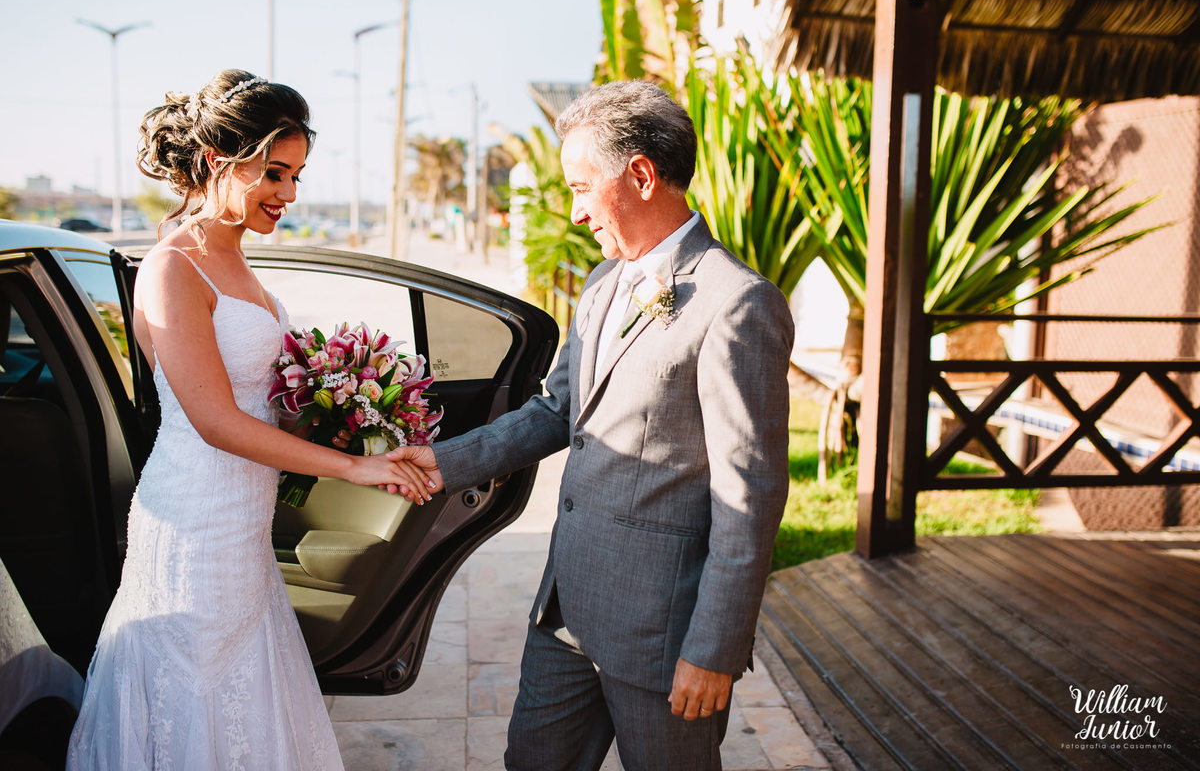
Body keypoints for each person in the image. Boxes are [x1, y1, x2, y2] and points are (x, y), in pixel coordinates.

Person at [389, 80, 794, 771]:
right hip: (565, 609)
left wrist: (715, 648)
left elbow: (749, 497)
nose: (575, 214)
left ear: (639, 174)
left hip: (664, 633)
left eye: (580, 188)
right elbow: (556, 412)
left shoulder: (737, 303)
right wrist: (441, 461)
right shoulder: (603, 282)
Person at [66, 69, 433, 770]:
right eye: (274, 172)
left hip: (242, 525)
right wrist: (357, 467)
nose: (289, 194)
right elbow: (214, 420)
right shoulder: (175, 267)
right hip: (194, 521)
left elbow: (260, 405)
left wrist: (352, 419)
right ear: (215, 162)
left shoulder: (233, 255)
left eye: (296, 174)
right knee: (193, 690)